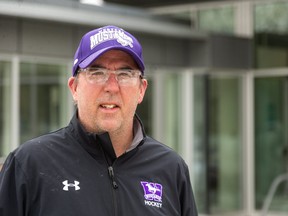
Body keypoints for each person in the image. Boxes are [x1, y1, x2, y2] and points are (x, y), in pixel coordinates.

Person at [0, 25, 198, 216]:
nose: (112, 87)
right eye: (97, 73)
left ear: (141, 90)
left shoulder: (171, 169)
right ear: (74, 88)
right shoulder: (29, 164)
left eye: (125, 74)